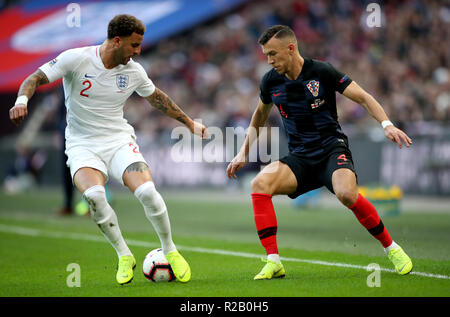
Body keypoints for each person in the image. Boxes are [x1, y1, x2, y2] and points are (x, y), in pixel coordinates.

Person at [10, 14, 208, 285]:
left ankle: (170, 249)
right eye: (134, 45)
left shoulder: (134, 71)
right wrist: (22, 100)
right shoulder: (76, 59)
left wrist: (188, 122)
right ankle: (123, 255)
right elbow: (34, 77)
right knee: (94, 196)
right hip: (82, 145)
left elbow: (157, 98)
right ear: (117, 41)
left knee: (148, 191)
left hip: (117, 140)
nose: (138, 51)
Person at [227, 25, 413, 280]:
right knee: (260, 183)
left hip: (330, 149)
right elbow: (259, 115)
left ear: (290, 48)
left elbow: (363, 97)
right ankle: (273, 261)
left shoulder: (321, 71)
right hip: (300, 158)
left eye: (272, 54)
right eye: (266, 55)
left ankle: (392, 248)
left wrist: (387, 124)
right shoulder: (271, 81)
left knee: (347, 194)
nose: (269, 61)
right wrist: (242, 153)